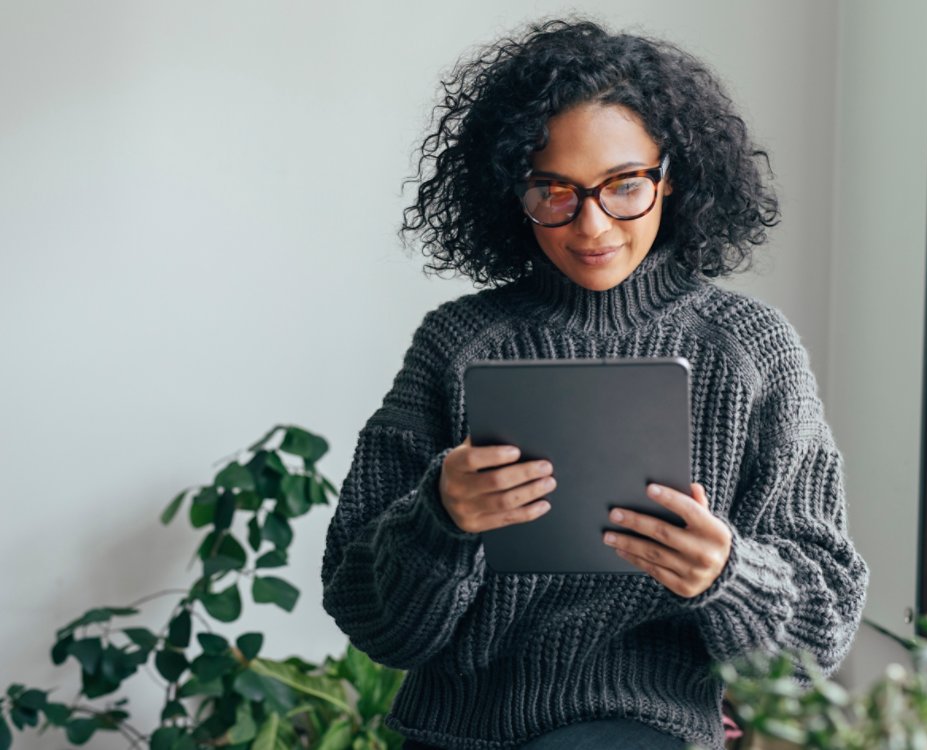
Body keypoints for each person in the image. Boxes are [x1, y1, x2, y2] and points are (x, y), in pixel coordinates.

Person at [320, 18, 869, 750]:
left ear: (670, 177)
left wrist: (728, 575)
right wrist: (440, 519)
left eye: (622, 186)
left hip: (645, 723)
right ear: (512, 190)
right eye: (555, 191)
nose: (591, 224)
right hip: (456, 730)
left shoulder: (749, 350)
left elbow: (817, 630)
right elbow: (370, 616)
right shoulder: (456, 345)